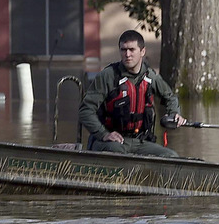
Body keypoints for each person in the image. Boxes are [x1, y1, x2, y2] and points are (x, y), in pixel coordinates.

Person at [79, 29, 187, 157]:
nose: (127, 54)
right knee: (118, 152)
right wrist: (104, 134)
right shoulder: (107, 76)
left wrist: (175, 113)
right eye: (123, 50)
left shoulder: (150, 77)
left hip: (140, 141)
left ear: (142, 51)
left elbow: (170, 97)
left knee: (171, 156)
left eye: (131, 49)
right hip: (109, 142)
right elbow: (85, 111)